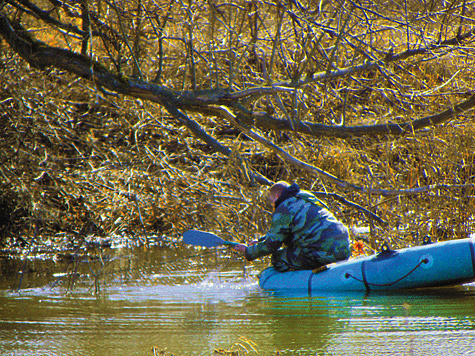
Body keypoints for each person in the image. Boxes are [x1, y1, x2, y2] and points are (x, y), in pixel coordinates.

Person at [234, 181, 351, 271]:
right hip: (344, 248)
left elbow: (272, 245)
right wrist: (260, 241)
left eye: (271, 201)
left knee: (278, 258)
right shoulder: (306, 198)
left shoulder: (284, 208)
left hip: (323, 252)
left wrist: (248, 251)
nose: (272, 204)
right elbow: (287, 234)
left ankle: (302, 282)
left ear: (276, 197)